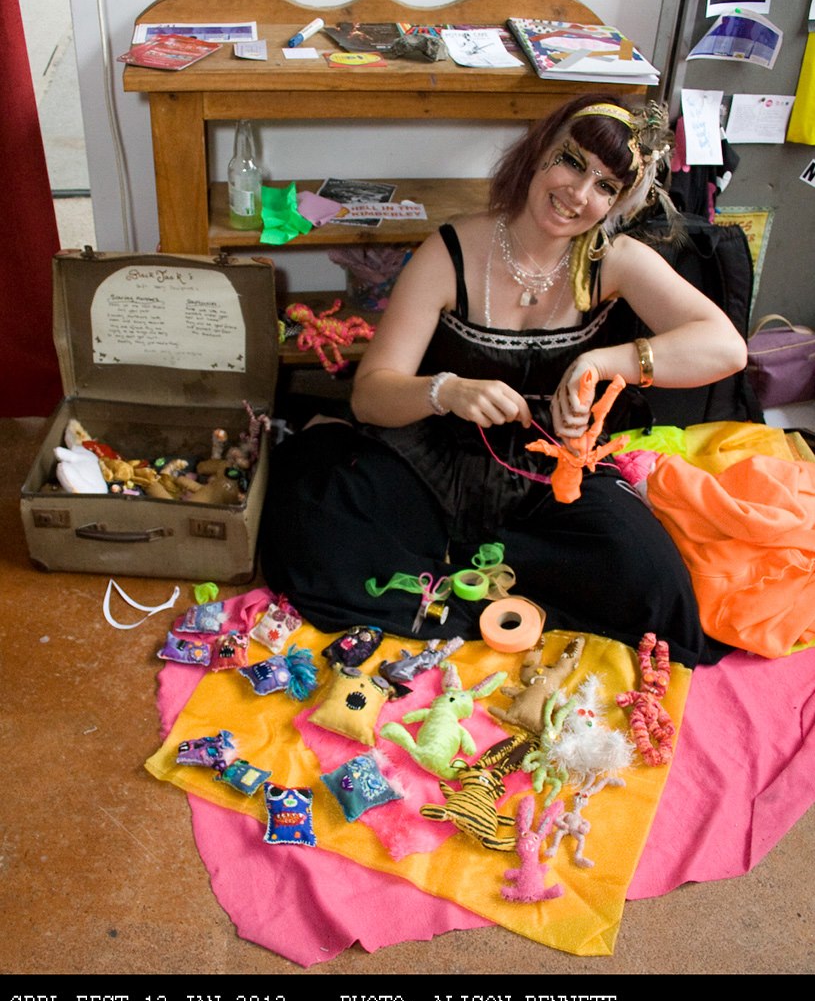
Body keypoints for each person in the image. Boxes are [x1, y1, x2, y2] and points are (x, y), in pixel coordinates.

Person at [260, 95, 747, 668]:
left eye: (605, 186)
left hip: (550, 475)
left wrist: (604, 363)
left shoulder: (614, 259)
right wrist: (445, 390)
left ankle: (452, 582)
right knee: (311, 517)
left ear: (617, 202)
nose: (579, 194)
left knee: (651, 578)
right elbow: (370, 396)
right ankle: (492, 589)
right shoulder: (450, 252)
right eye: (572, 162)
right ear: (539, 151)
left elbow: (726, 348)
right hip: (430, 463)